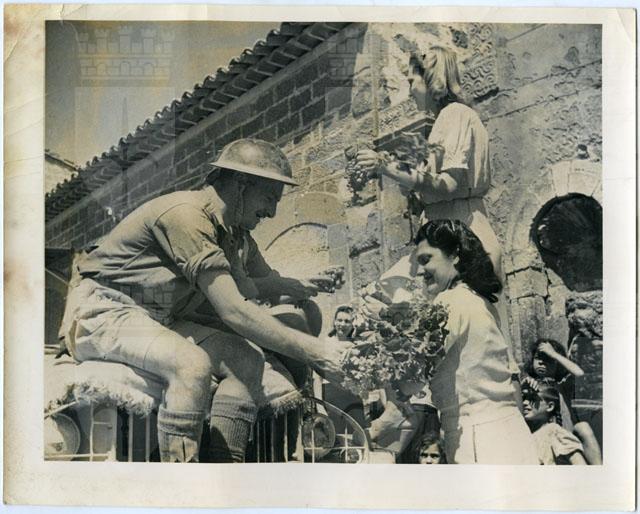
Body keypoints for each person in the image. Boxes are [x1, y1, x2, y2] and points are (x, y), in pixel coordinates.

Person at [59, 138, 351, 463]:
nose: (271, 212)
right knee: (192, 364)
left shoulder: (233, 235)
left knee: (246, 358)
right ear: (241, 184)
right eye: (269, 197)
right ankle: (184, 479)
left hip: (158, 319)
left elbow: (259, 285)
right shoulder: (186, 215)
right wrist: (318, 353)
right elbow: (234, 310)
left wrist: (300, 287)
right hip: (104, 311)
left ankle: (225, 470)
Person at [355, 45, 502, 278]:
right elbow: (431, 190)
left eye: (412, 82)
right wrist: (401, 174)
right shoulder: (445, 120)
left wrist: (386, 167)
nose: (410, 92)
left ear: (431, 79)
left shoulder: (455, 114)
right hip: (444, 234)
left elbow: (448, 185)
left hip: (459, 235)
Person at [413, 219, 538, 464]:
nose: (420, 270)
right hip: (512, 434)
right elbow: (512, 382)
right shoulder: (481, 302)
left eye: (426, 259)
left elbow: (414, 371)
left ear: (455, 255)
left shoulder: (448, 302)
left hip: (478, 438)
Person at [525, 338, 602, 464]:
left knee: (582, 427)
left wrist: (554, 354)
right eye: (538, 358)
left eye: (548, 359)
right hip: (543, 438)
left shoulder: (562, 384)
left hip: (566, 437)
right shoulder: (528, 384)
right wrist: (527, 384)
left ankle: (598, 469)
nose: (542, 363)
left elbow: (579, 373)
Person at [521, 376, 587, 465]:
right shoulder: (524, 433)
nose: (525, 403)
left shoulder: (553, 431)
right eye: (523, 398)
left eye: (532, 399)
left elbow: (580, 466)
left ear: (550, 406)